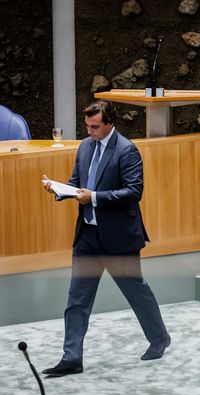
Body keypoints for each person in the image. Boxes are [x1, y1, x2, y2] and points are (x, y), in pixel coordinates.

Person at [41, 100, 170, 377]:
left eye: (95, 126)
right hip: (87, 237)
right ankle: (71, 357)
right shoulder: (85, 147)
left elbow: (134, 192)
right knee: (77, 299)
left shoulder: (127, 150)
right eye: (87, 126)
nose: (90, 131)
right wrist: (59, 189)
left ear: (110, 122)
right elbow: (78, 184)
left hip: (118, 240)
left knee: (137, 293)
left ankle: (159, 338)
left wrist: (95, 198)